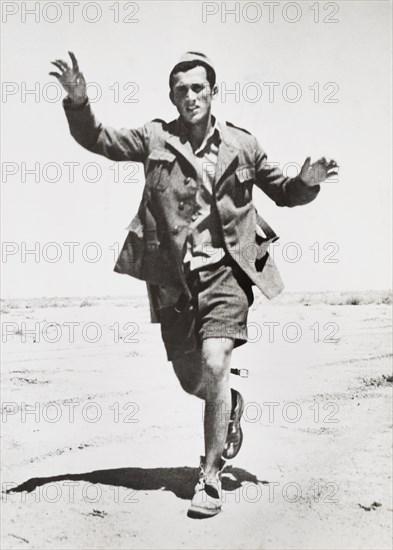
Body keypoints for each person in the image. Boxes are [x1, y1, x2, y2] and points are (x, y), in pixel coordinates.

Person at [49, 51, 338, 518]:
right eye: (181, 89)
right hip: (174, 280)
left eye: (198, 87)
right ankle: (229, 404)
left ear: (213, 91)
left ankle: (209, 477)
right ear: (172, 96)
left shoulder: (243, 145)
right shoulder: (155, 137)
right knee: (193, 381)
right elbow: (99, 139)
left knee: (215, 360)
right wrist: (78, 102)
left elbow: (284, 192)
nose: (190, 95)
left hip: (227, 272)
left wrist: (306, 182)